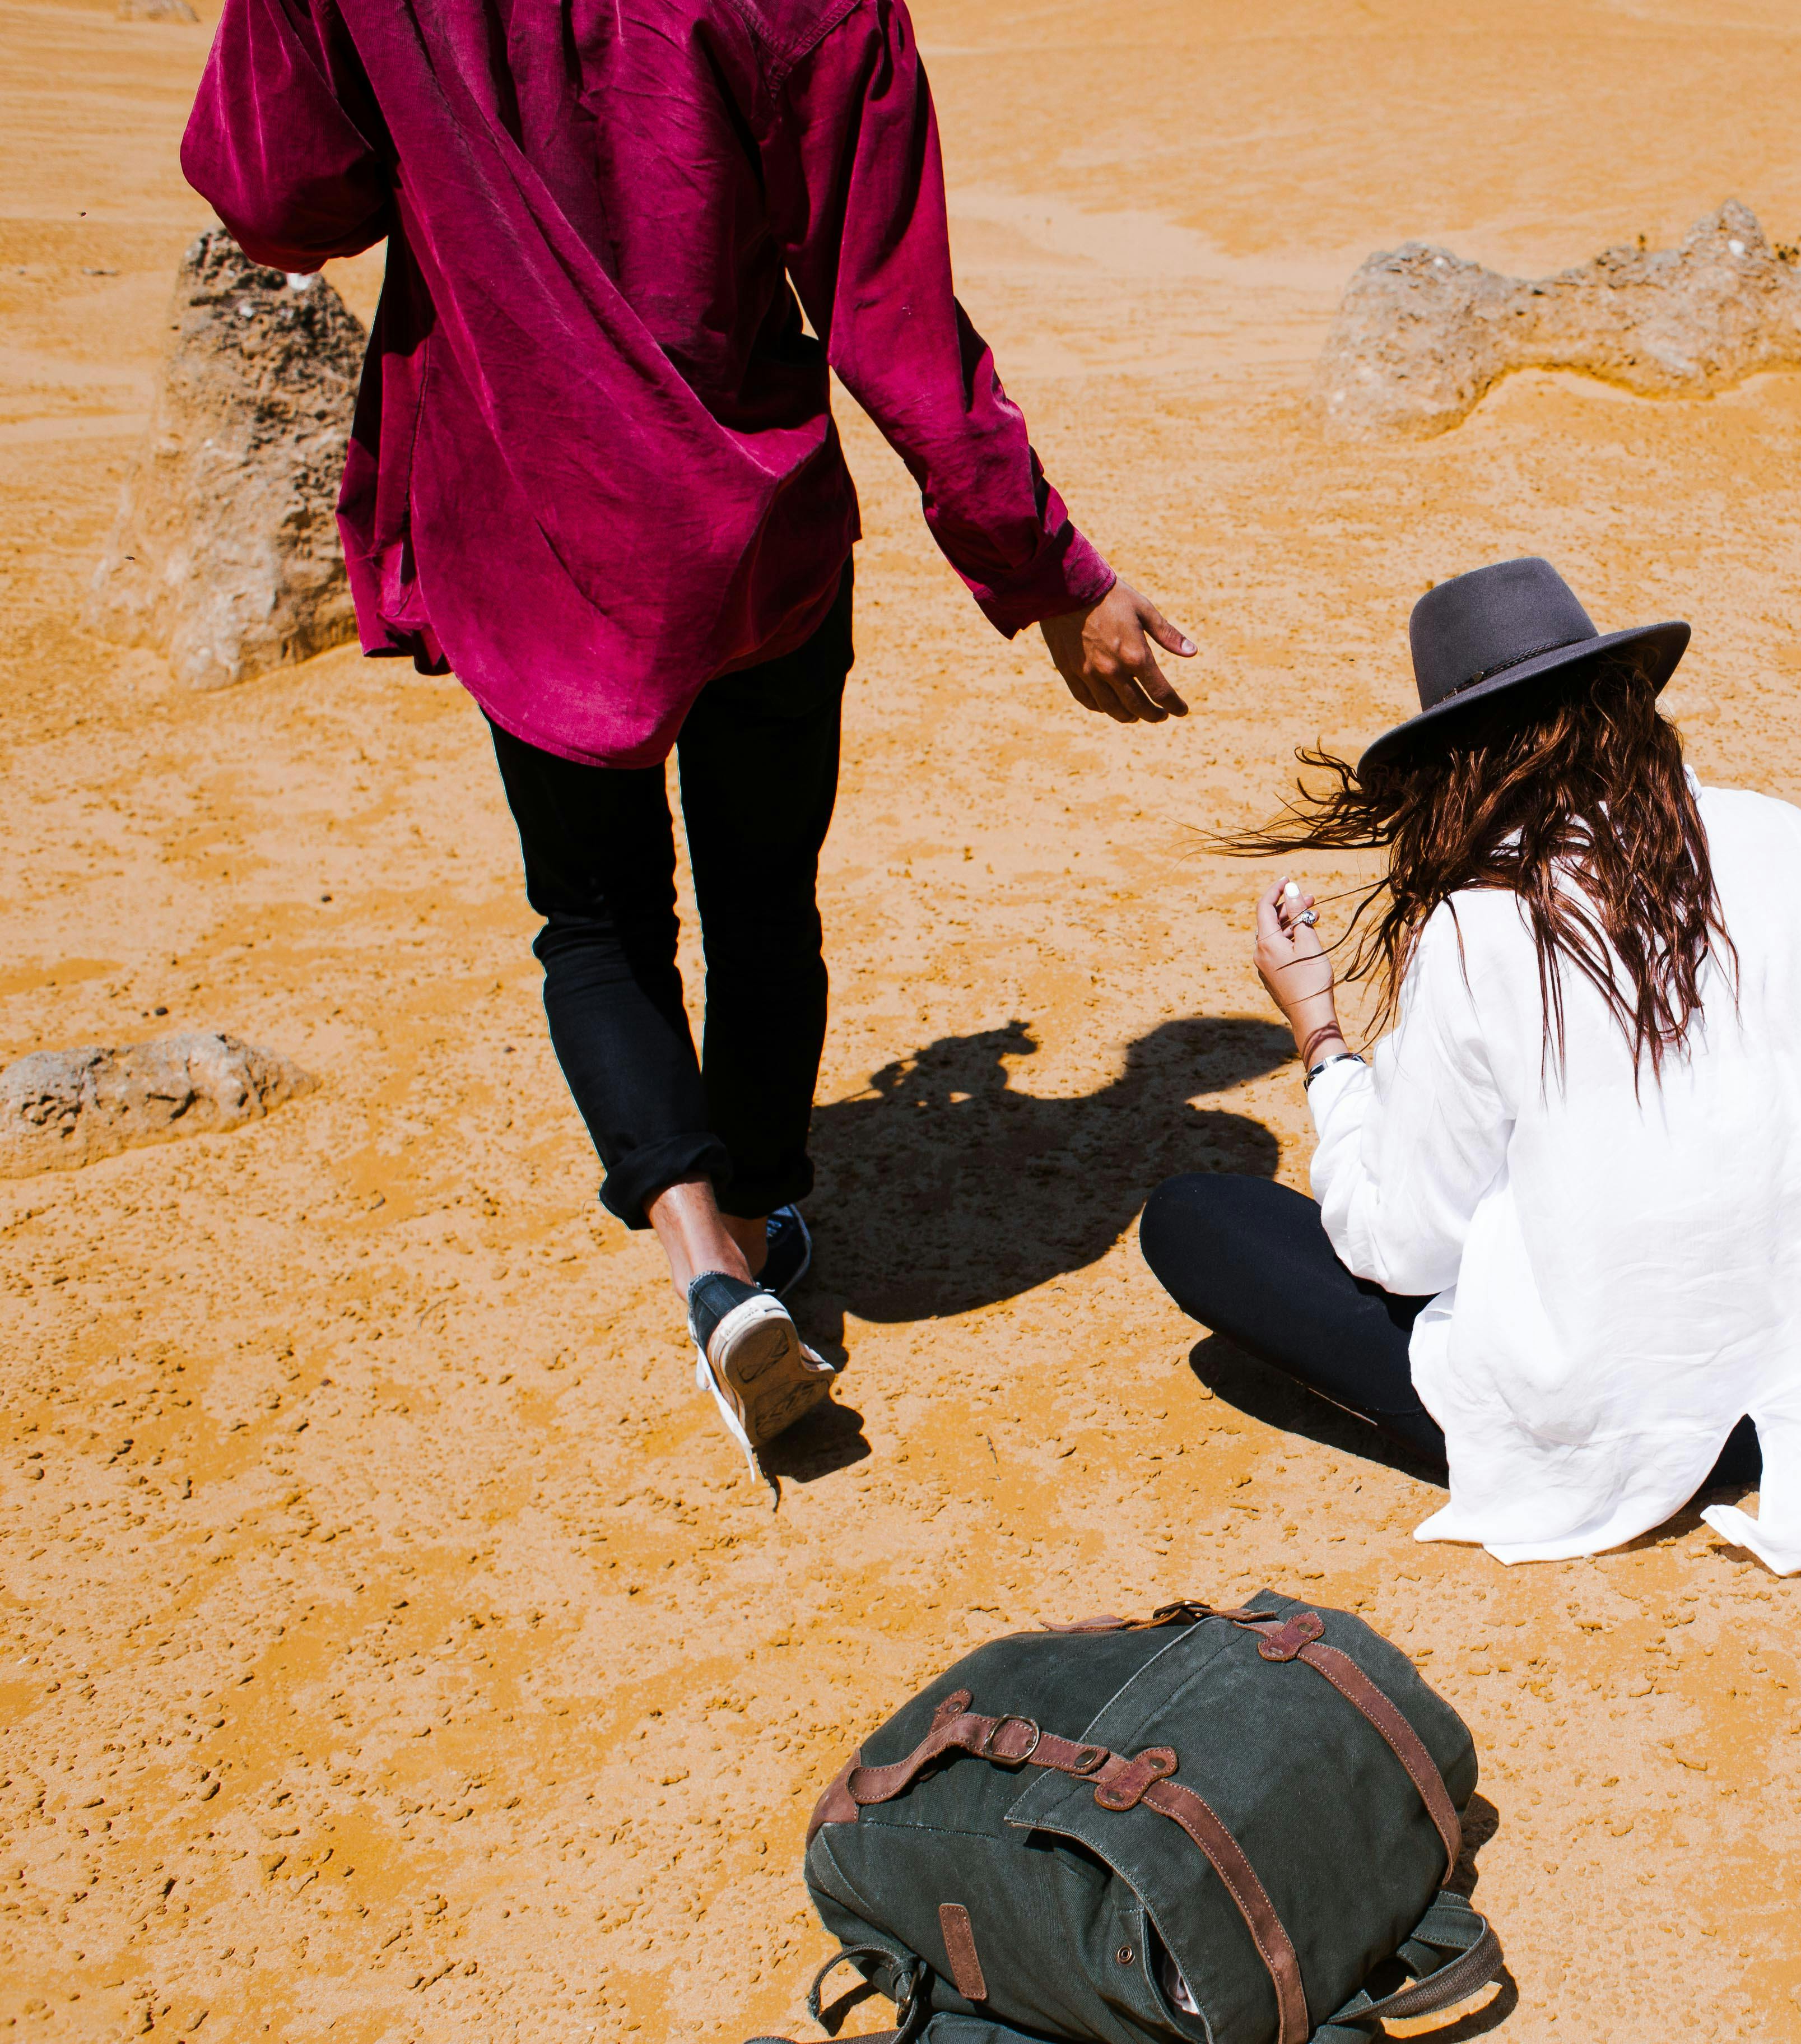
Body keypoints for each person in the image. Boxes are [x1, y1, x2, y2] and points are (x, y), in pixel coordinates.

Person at [178, 0, 1197, 1478]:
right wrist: (1046, 571)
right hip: (753, 524)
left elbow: (278, 201)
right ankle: (770, 1216)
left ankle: (699, 1253)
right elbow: (888, 312)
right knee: (764, 900)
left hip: (529, 498)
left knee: (594, 923)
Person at [1140, 559, 1801, 1574]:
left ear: (1456, 762)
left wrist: (1324, 1044)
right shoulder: (1790, 836)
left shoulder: (1486, 923)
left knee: (1199, 1219)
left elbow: (1406, 1248)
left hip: (1620, 1430)